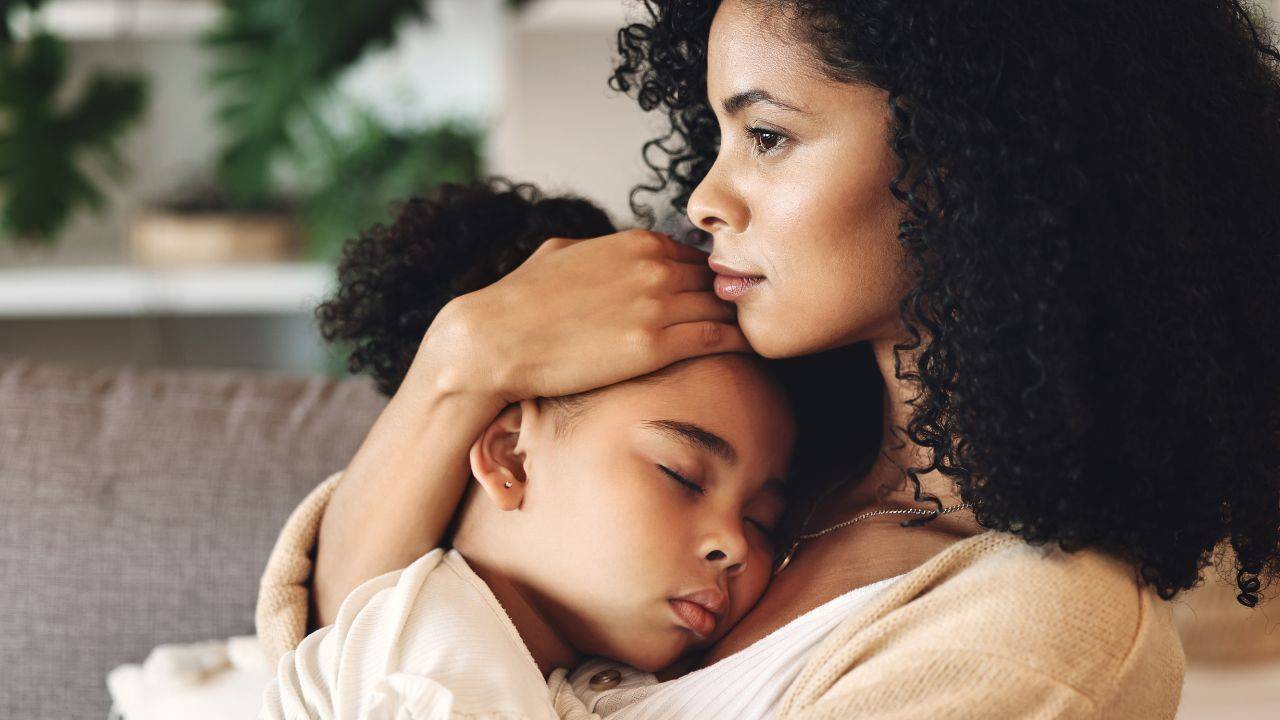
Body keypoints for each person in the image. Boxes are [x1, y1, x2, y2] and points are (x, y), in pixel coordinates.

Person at [257, 1, 1280, 717]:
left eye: (768, 138)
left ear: (971, 161)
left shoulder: (1041, 634)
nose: (706, 198)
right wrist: (461, 360)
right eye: (713, 135)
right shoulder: (740, 420)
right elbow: (356, 645)